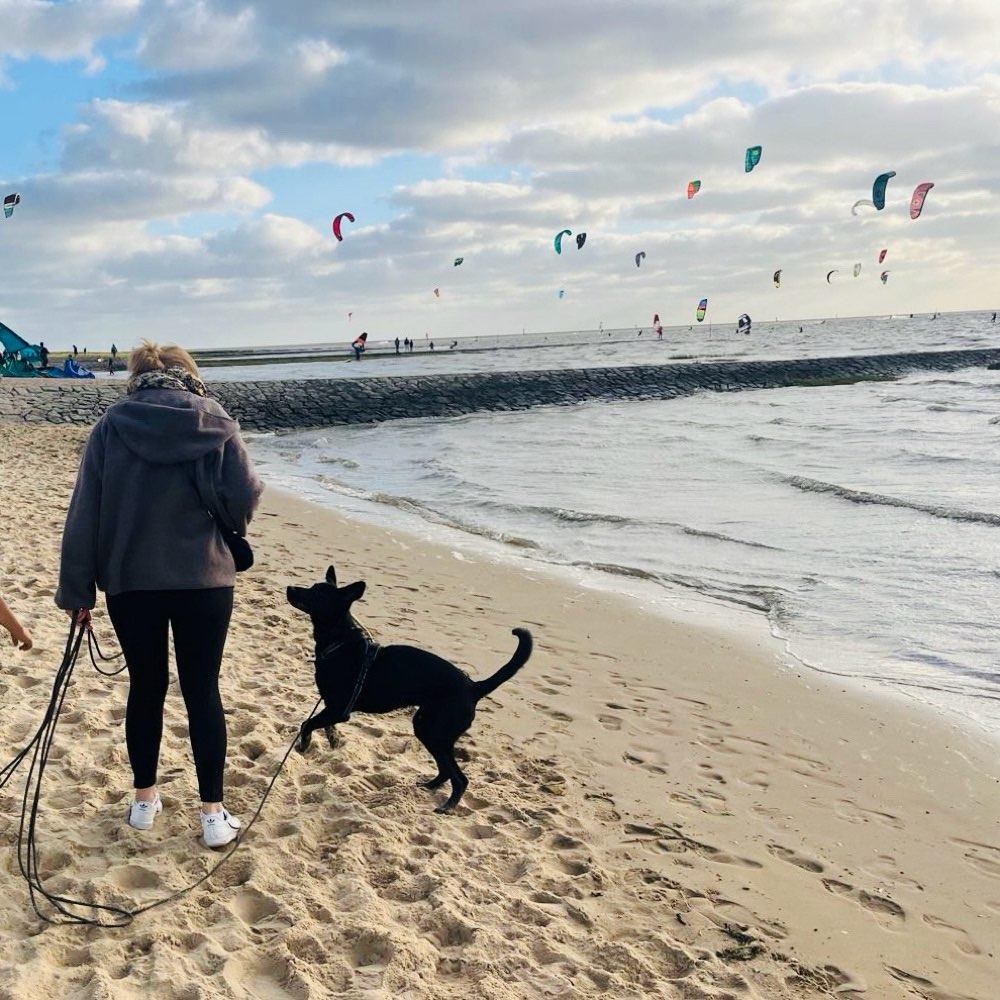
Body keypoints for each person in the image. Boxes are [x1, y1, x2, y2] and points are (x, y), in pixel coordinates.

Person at [56, 341, 262, 848]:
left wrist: (77, 590)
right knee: (202, 690)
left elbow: (86, 510)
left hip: (133, 580)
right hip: (205, 579)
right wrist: (227, 518)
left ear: (137, 374)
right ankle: (213, 814)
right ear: (185, 372)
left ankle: (145, 801)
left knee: (147, 687)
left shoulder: (112, 425)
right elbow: (246, 493)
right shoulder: (213, 419)